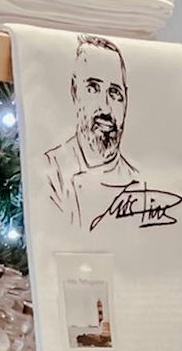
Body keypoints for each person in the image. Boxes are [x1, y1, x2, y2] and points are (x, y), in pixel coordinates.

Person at [43, 35, 141, 230]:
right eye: (93, 88)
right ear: (75, 91)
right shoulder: (50, 170)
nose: (105, 107)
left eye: (114, 93)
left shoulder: (139, 181)